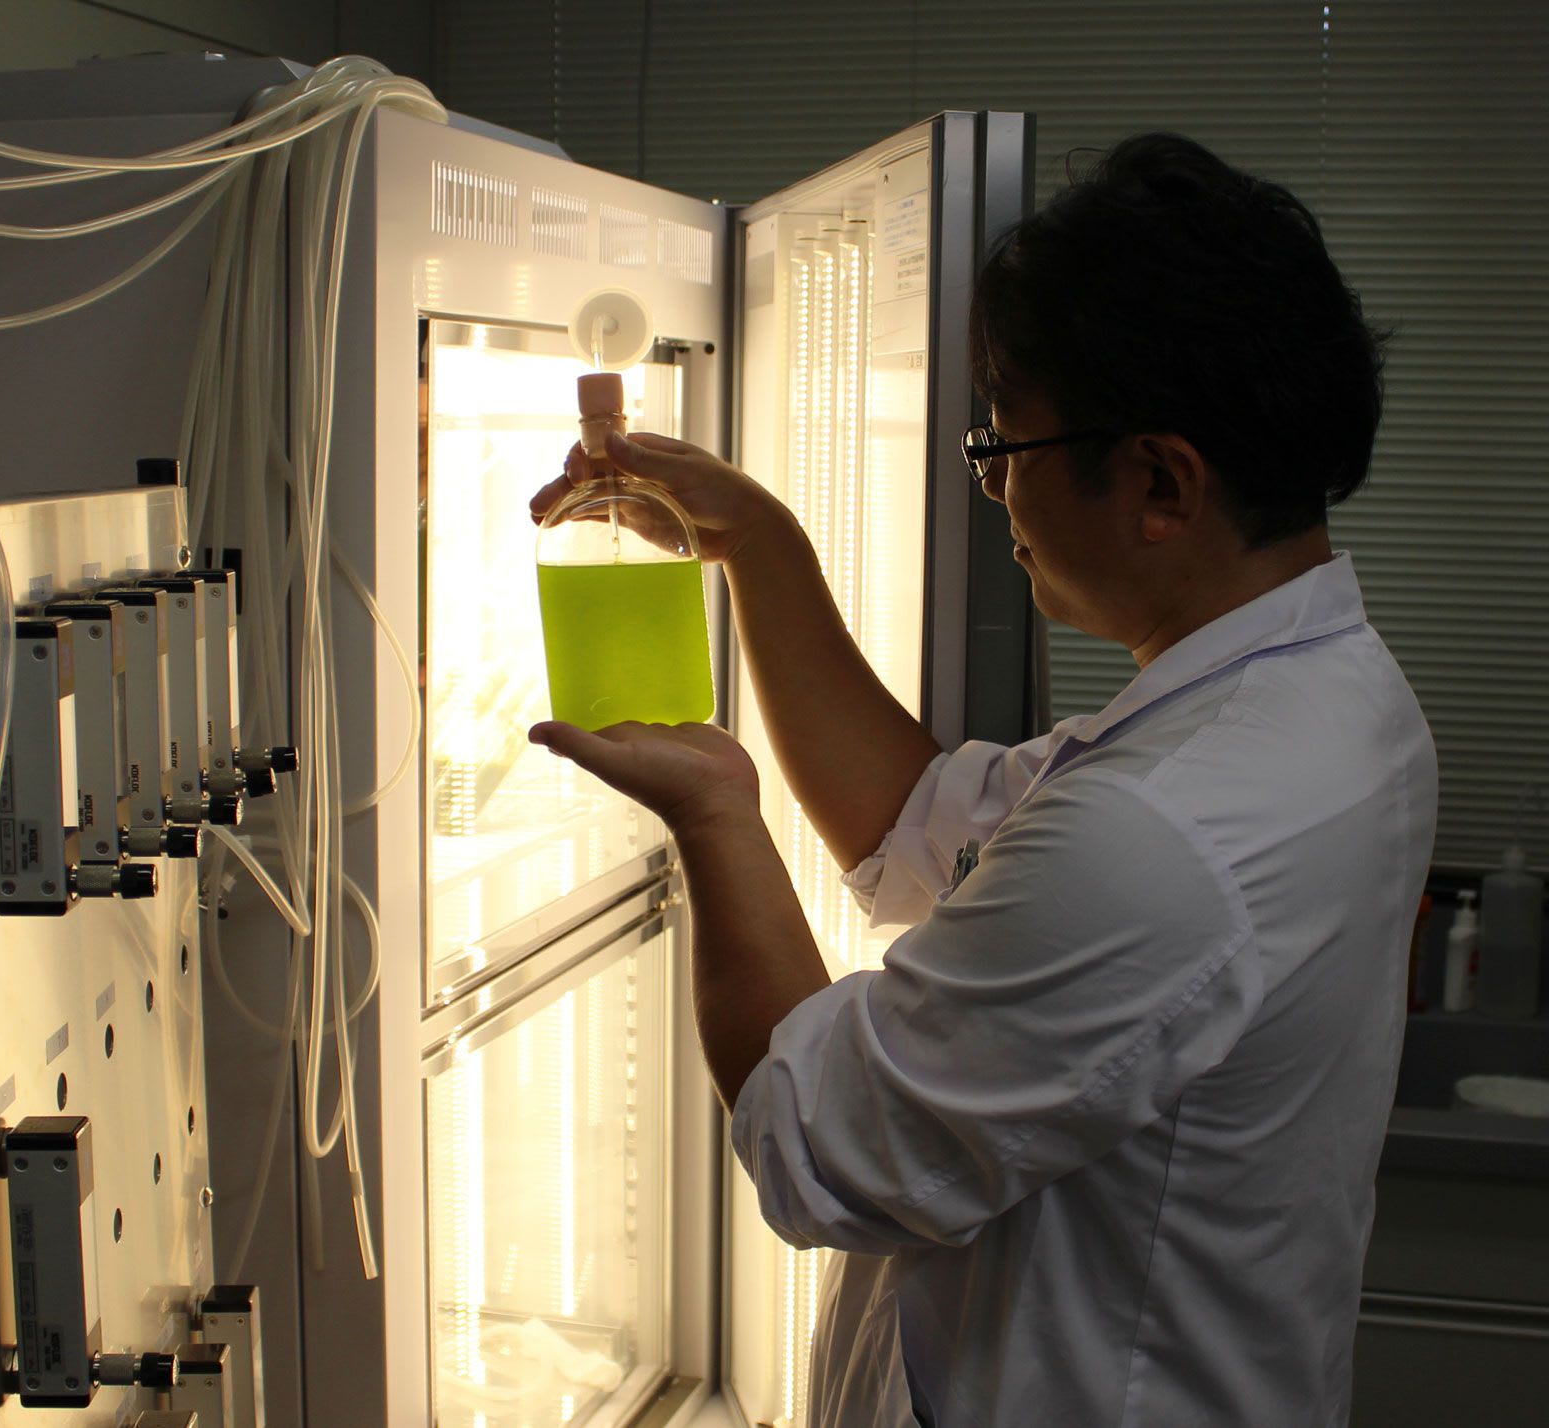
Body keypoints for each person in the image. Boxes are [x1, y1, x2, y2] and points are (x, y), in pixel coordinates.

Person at [528, 133, 1437, 1427]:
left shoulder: (1166, 832)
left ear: (1160, 482)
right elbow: (924, 826)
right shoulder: (1320, 697)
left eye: (1006, 445)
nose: (998, 488)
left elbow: (815, 1140)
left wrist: (716, 815)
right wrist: (759, 547)